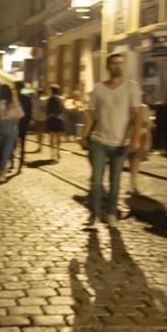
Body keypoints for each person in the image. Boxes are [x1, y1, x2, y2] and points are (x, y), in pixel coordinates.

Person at [79, 53, 143, 228]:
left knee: (115, 182)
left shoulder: (131, 88)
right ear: (108, 66)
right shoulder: (98, 89)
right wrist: (83, 135)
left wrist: (135, 139)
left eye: (120, 63)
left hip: (120, 143)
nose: (117, 66)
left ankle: (111, 213)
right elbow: (91, 115)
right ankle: (94, 213)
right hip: (99, 141)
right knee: (96, 180)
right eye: (114, 63)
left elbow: (137, 116)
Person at [0, 84, 24, 182]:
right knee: (7, 150)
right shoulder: (14, 101)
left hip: (1, 126)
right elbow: (21, 114)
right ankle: (2, 173)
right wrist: (15, 120)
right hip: (12, 127)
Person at [128, 104, 154, 195]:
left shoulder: (144, 108)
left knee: (135, 161)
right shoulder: (128, 106)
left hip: (140, 137)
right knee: (132, 161)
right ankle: (133, 186)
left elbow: (146, 123)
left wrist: (133, 121)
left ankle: (133, 186)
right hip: (128, 137)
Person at [14, 80, 33, 170]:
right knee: (22, 143)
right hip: (24, 123)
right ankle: (21, 160)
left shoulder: (13, 98)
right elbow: (29, 113)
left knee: (13, 142)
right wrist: (28, 122)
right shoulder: (27, 98)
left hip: (14, 123)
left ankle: (12, 161)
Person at [46, 86, 65, 161]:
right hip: (58, 119)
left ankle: (52, 153)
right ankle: (58, 152)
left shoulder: (49, 99)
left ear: (52, 91)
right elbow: (63, 109)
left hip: (51, 119)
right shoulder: (60, 99)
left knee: (51, 137)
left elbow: (46, 110)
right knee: (58, 137)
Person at [32, 87, 47, 153]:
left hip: (40, 118)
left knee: (39, 132)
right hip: (40, 118)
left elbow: (43, 109)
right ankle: (40, 146)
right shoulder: (38, 100)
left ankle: (40, 146)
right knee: (39, 133)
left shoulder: (41, 100)